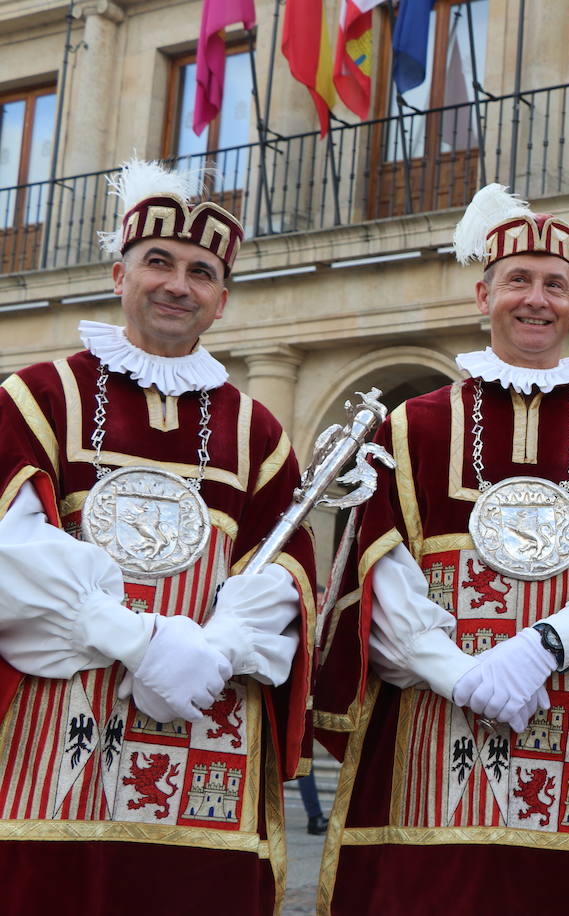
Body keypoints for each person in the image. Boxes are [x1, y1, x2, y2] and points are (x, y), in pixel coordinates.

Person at [313, 185, 569, 914]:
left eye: (555, 285)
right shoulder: (405, 431)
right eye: (518, 279)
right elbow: (378, 576)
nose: (536, 299)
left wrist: (540, 648)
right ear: (483, 294)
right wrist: (456, 674)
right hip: (430, 731)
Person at [0, 159, 315, 914]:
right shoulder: (39, 396)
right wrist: (139, 641)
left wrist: (211, 652)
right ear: (119, 275)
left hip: (208, 731)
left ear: (222, 301)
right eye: (159, 263)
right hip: (50, 737)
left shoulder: (255, 428)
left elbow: (282, 574)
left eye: (201, 272)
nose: (178, 284)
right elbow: (12, 552)